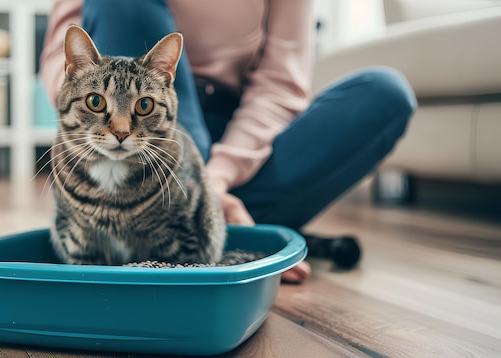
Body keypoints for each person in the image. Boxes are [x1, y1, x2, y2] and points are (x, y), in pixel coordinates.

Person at [40, 0, 417, 283]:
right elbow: (62, 55)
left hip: (230, 133)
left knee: (386, 95)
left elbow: (279, 86)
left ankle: (200, 220)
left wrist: (215, 179)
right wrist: (88, 103)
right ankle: (230, 235)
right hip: (141, 129)